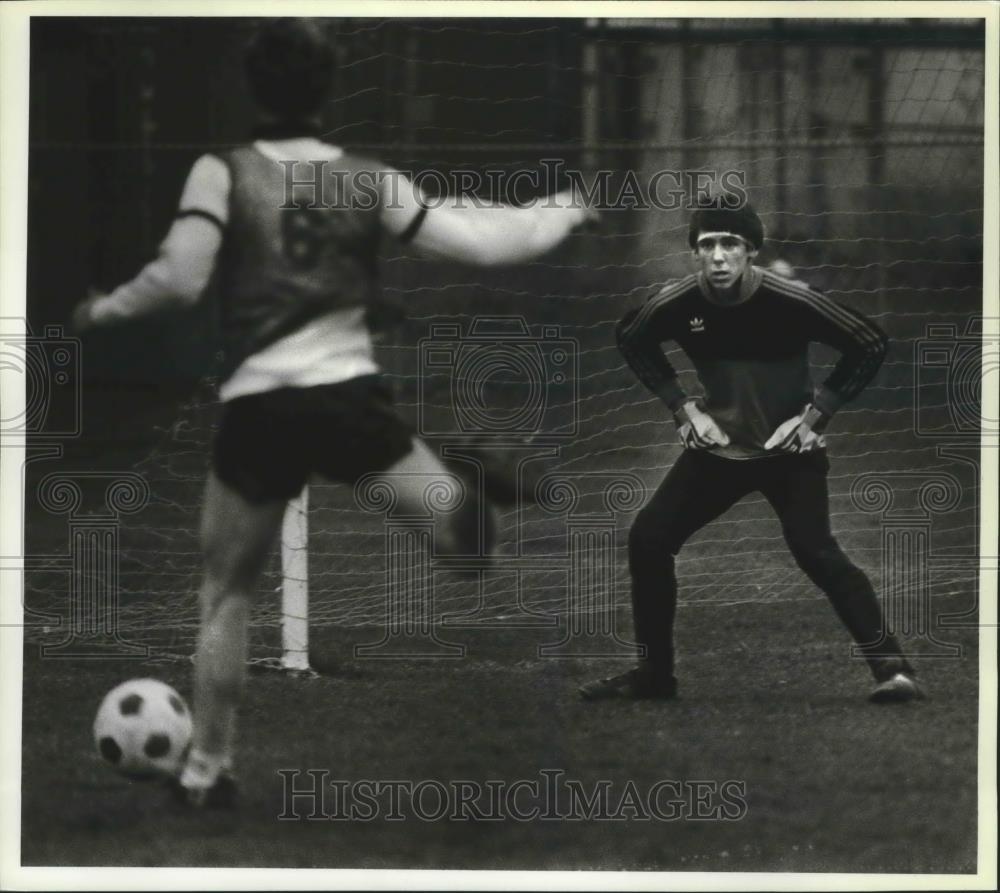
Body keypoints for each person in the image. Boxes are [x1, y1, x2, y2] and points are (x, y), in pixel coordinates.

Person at [73, 18, 593, 807]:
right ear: (326, 90)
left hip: (262, 410)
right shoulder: (365, 178)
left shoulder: (222, 170)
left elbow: (179, 280)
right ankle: (470, 477)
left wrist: (106, 310)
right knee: (468, 554)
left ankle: (208, 768)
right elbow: (483, 244)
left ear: (253, 86)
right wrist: (559, 209)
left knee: (226, 592)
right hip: (349, 400)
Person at [579, 199, 921, 704]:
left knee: (816, 551)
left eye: (730, 245)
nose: (718, 257)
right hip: (719, 452)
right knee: (649, 539)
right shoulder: (678, 302)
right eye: (707, 245)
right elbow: (631, 337)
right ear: (695, 252)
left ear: (751, 251)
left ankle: (893, 670)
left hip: (788, 453)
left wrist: (814, 417)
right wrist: (683, 410)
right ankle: (655, 678)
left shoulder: (791, 300)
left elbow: (869, 342)